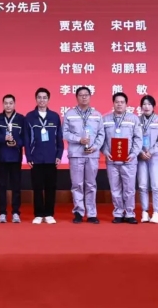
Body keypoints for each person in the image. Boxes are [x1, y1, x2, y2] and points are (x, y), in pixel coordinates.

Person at [62, 86, 105, 224]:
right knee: (77, 184)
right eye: (81, 95)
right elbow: (64, 133)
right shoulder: (70, 114)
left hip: (92, 154)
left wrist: (95, 147)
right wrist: (78, 140)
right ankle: (78, 212)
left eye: (86, 94)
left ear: (90, 97)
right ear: (77, 97)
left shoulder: (97, 115)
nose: (84, 97)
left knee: (91, 184)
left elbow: (101, 134)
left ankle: (91, 213)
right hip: (76, 154)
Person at [101, 92, 142, 224]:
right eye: (117, 102)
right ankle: (118, 212)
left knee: (129, 189)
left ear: (126, 104)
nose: (119, 104)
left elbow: (138, 139)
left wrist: (133, 154)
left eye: (122, 102)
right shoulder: (105, 119)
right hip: (112, 160)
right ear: (113, 103)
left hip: (129, 160)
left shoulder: (133, 119)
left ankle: (129, 213)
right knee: (115, 189)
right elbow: (101, 139)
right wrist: (105, 151)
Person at [24, 88, 63, 224]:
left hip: (51, 158)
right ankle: (39, 214)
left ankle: (49, 213)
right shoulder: (29, 117)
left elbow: (59, 138)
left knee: (50, 187)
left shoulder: (54, 116)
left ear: (48, 99)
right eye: (39, 97)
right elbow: (27, 139)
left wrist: (59, 155)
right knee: (37, 187)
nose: (42, 100)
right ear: (36, 99)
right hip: (36, 158)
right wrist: (28, 156)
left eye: (44, 97)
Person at [0, 94, 26, 223]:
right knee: (1, 186)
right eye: (6, 103)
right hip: (1, 157)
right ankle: (2, 212)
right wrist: (3, 138)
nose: (8, 105)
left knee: (16, 186)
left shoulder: (21, 119)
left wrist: (17, 142)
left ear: (14, 104)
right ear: (3, 104)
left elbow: (25, 137)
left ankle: (16, 212)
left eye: (10, 103)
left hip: (15, 157)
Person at [137, 95, 158, 224]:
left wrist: (151, 151)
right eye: (144, 104)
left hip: (155, 156)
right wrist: (140, 152)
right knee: (142, 185)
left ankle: (156, 212)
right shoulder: (137, 120)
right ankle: (145, 212)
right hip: (141, 157)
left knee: (156, 185)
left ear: (153, 106)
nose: (146, 106)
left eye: (149, 104)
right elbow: (133, 138)